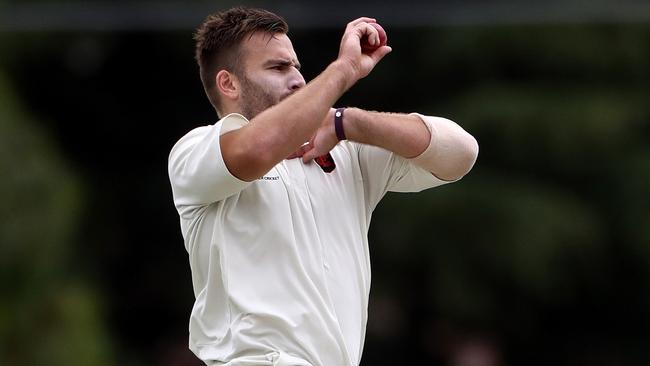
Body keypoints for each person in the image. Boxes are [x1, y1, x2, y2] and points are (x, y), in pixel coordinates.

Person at [168, 6, 478, 366]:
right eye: (278, 67)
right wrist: (344, 70)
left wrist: (350, 123)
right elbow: (256, 149)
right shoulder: (194, 151)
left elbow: (460, 153)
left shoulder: (344, 150)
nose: (298, 79)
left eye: (297, 66)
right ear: (229, 83)